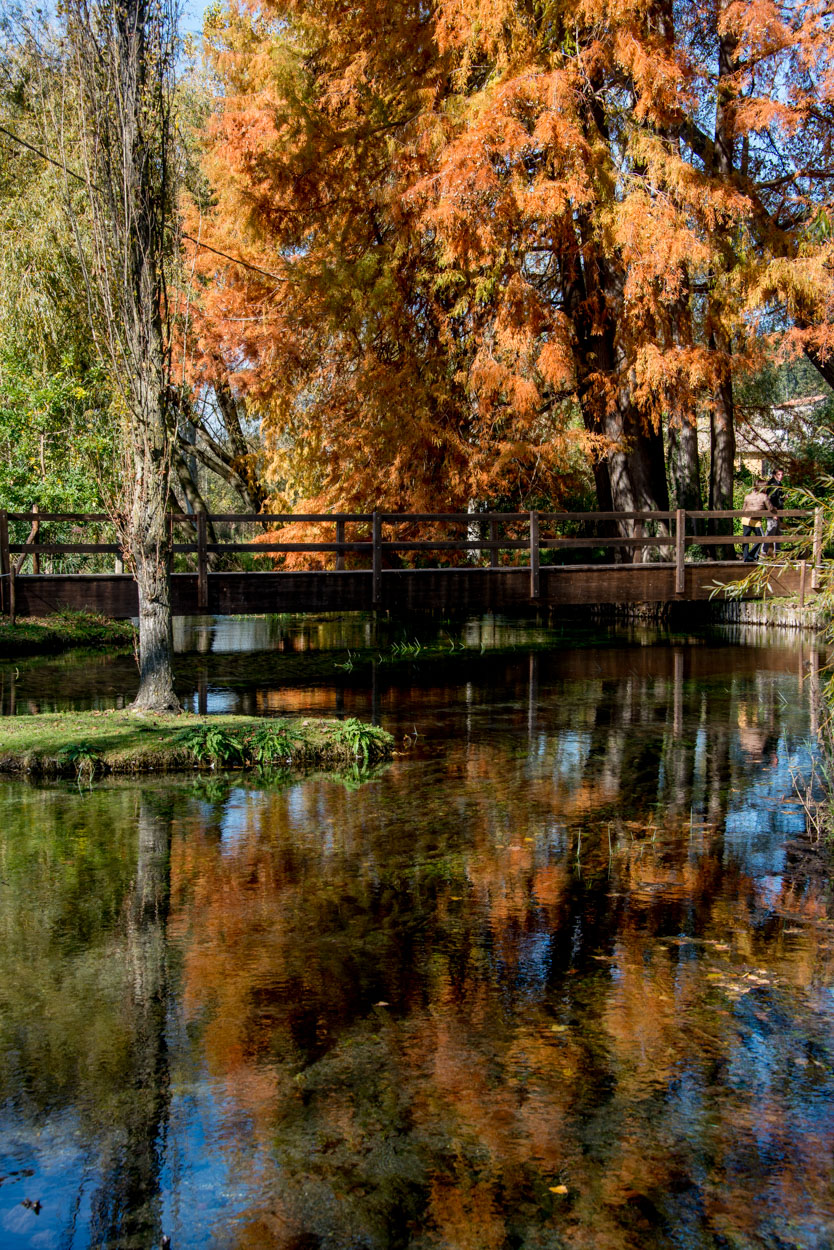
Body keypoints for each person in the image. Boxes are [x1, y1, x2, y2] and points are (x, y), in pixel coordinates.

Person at [740, 478, 775, 562]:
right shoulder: (764, 496)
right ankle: (751, 555)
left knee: (745, 538)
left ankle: (746, 556)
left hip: (745, 519)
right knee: (761, 538)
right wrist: (775, 509)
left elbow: (743, 509)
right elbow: (770, 508)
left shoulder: (747, 496)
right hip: (756, 521)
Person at [763, 467, 785, 557]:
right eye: (779, 474)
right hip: (773, 512)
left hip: (778, 512)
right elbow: (771, 501)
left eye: (782, 474)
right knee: (770, 532)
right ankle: (763, 552)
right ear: (774, 475)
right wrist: (773, 513)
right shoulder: (773, 485)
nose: (781, 476)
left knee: (778, 532)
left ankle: (778, 552)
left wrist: (783, 499)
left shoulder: (778, 484)